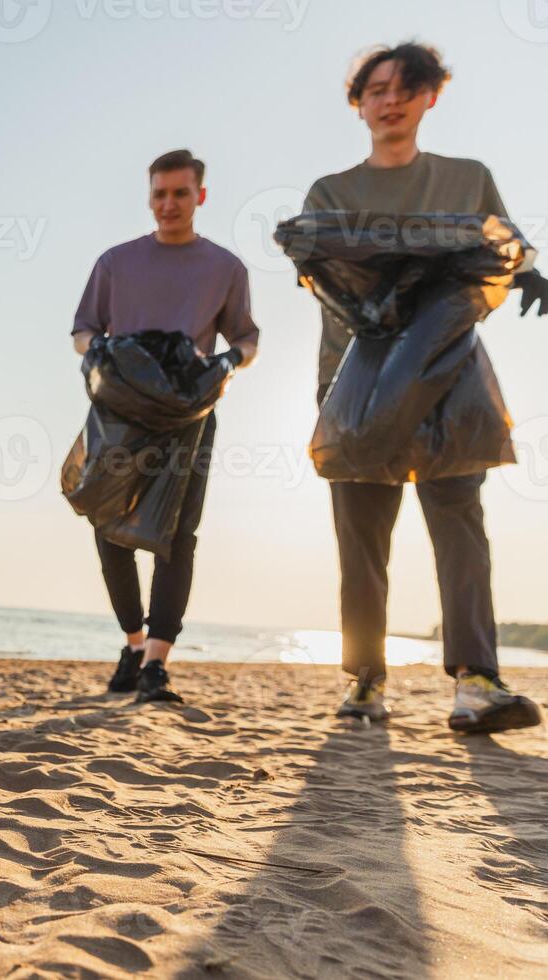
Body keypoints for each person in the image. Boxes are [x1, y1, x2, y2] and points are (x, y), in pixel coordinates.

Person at [303, 42, 546, 732]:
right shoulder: (332, 194)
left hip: (448, 378)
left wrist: (523, 270)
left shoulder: (467, 179)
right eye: (376, 89)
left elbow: (501, 247)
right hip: (358, 380)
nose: (390, 99)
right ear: (359, 103)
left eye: (405, 87)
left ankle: (476, 681)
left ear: (430, 96)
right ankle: (364, 684)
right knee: (361, 537)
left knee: (461, 528)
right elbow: (329, 286)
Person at [72, 150, 260, 704]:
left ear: (201, 195)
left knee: (177, 537)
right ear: (149, 196)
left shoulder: (225, 267)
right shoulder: (115, 262)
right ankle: (132, 644)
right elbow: (82, 330)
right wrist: (102, 351)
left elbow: (247, 339)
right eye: (160, 194)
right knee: (109, 530)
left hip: (188, 417)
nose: (169, 204)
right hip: (120, 414)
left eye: (180, 193)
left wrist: (228, 362)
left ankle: (157, 663)